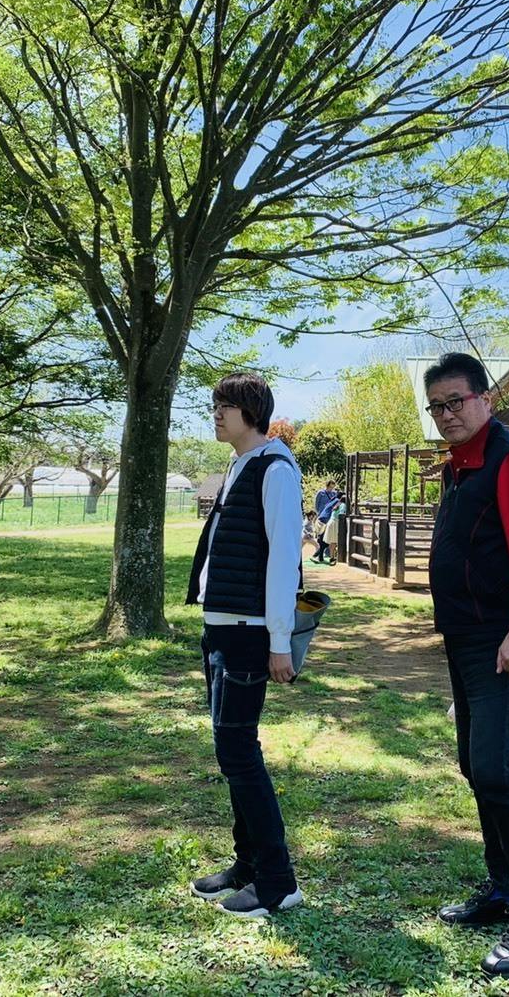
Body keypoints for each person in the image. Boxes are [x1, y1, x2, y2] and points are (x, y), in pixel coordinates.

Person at [424, 352, 509, 980]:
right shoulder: (458, 465)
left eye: (456, 401)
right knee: (476, 766)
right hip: (465, 639)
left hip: (503, 641)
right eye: (437, 407)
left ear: (486, 399)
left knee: (501, 775)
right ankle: (502, 887)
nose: (447, 414)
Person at [185, 371, 306, 919]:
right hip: (221, 626)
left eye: (225, 406)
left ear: (251, 413)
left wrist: (279, 641)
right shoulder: (241, 465)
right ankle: (249, 862)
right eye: (214, 405)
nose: (216, 414)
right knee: (229, 750)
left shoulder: (275, 469)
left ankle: (278, 880)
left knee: (238, 751)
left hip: (248, 632)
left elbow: (283, 561)